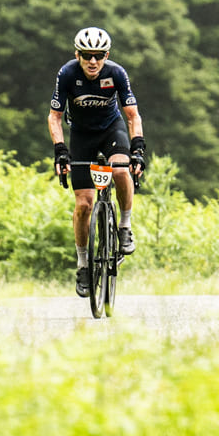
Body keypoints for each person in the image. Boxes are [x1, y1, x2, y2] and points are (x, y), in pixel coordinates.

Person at [48, 25, 146, 298]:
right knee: (83, 205)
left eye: (99, 55)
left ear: (107, 54)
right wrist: (60, 150)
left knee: (120, 169)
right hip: (81, 136)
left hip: (110, 130)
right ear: (77, 54)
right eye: (88, 55)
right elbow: (54, 116)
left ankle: (124, 226)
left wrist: (137, 146)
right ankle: (83, 265)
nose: (93, 61)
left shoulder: (116, 73)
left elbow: (132, 115)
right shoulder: (67, 74)